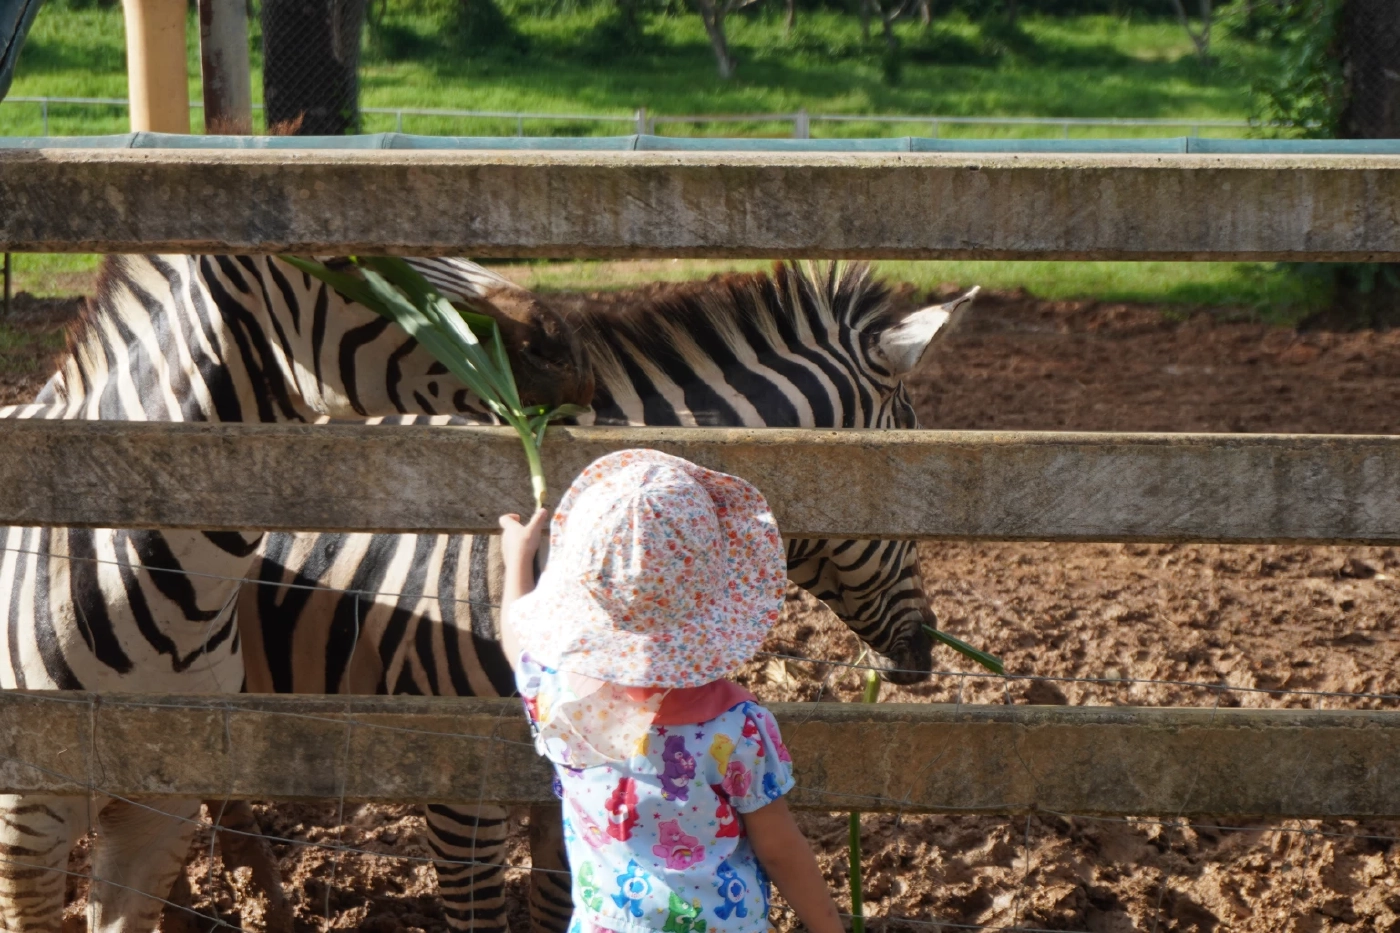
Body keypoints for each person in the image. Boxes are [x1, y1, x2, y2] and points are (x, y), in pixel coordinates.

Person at [498, 448, 845, 933]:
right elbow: (780, 848)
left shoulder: (559, 699)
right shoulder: (738, 728)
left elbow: (518, 643)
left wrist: (516, 560)